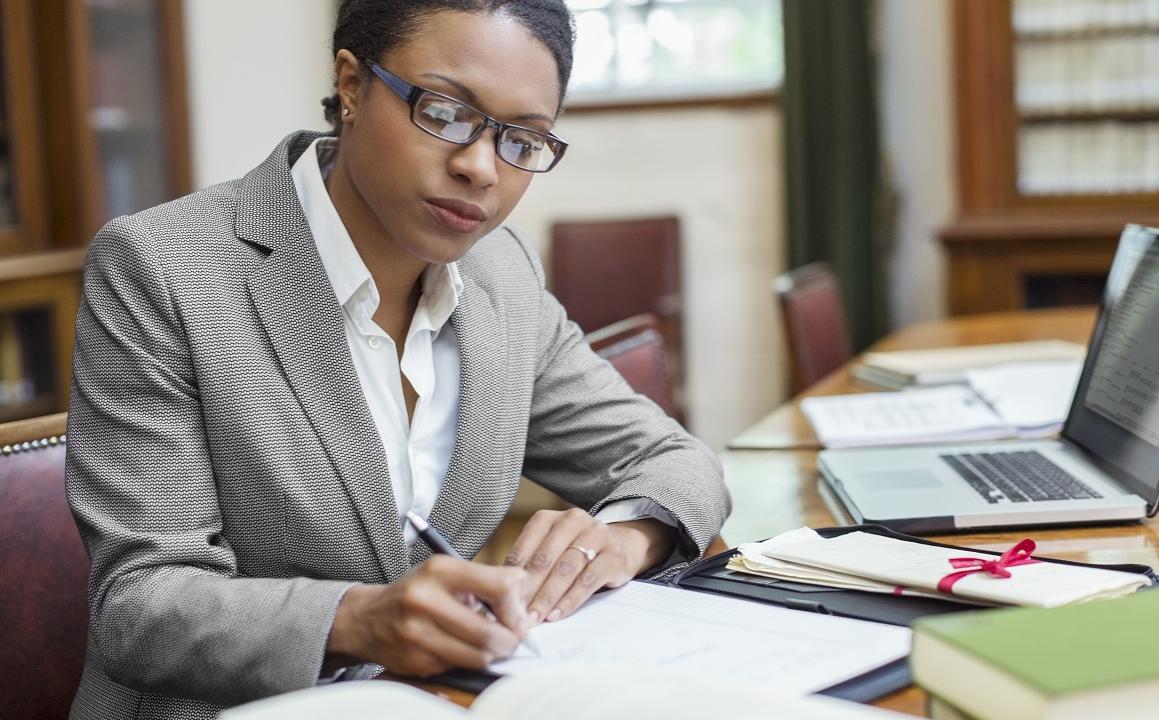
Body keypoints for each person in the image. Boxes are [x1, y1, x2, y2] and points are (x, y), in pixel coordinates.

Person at [64, 1, 730, 718]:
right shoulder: (163, 267)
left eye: (522, 141)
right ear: (351, 86)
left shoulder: (501, 274)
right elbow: (140, 605)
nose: (480, 167)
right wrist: (358, 621)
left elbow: (677, 460)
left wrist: (623, 536)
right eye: (445, 112)